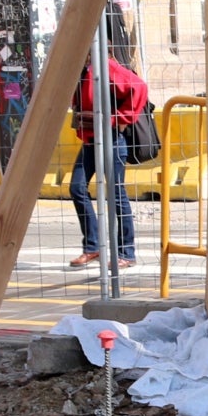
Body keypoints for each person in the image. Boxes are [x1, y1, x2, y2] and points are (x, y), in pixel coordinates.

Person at [68, 51, 147, 270]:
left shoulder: (105, 65)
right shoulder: (84, 69)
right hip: (91, 141)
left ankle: (126, 252)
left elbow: (138, 87)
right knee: (77, 188)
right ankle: (93, 246)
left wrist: (119, 118)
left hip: (111, 140)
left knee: (116, 195)